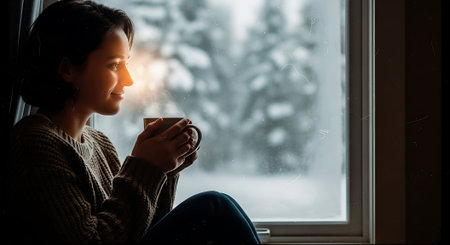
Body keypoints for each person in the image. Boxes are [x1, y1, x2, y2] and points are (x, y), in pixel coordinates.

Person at [7, 0, 261, 244]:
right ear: (68, 69)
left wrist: (162, 172)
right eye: (114, 65)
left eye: (125, 64)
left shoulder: (99, 143)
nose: (128, 79)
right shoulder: (35, 144)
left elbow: (136, 231)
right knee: (214, 207)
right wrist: (144, 168)